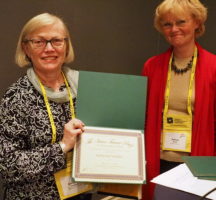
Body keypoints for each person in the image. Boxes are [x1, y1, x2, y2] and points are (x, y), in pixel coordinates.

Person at [0, 13, 92, 200]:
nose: (49, 49)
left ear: (66, 46)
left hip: (79, 194)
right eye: (39, 42)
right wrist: (62, 146)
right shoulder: (16, 98)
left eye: (56, 41)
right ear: (26, 48)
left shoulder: (86, 88)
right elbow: (7, 166)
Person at [141, 0, 216, 199]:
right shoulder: (151, 66)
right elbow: (143, 116)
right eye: (167, 24)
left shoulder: (214, 67)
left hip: (198, 161)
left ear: (197, 23)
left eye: (181, 22)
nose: (174, 29)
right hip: (159, 161)